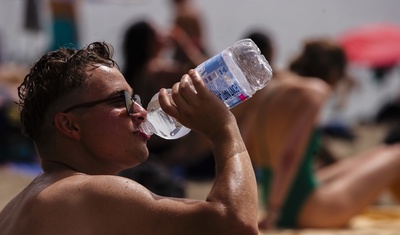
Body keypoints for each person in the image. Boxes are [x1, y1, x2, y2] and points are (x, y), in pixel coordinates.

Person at [0, 41, 259, 235]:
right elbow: (237, 226)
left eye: (134, 98)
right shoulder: (83, 193)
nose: (141, 111)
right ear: (70, 125)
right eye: (121, 99)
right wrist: (224, 129)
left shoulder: (13, 210)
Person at [232, 33, 400, 229]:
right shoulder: (315, 91)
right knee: (396, 154)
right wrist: (274, 212)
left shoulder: (272, 89)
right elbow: (289, 154)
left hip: (278, 195)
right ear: (334, 73)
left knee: (380, 153)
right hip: (309, 210)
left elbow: (248, 146)